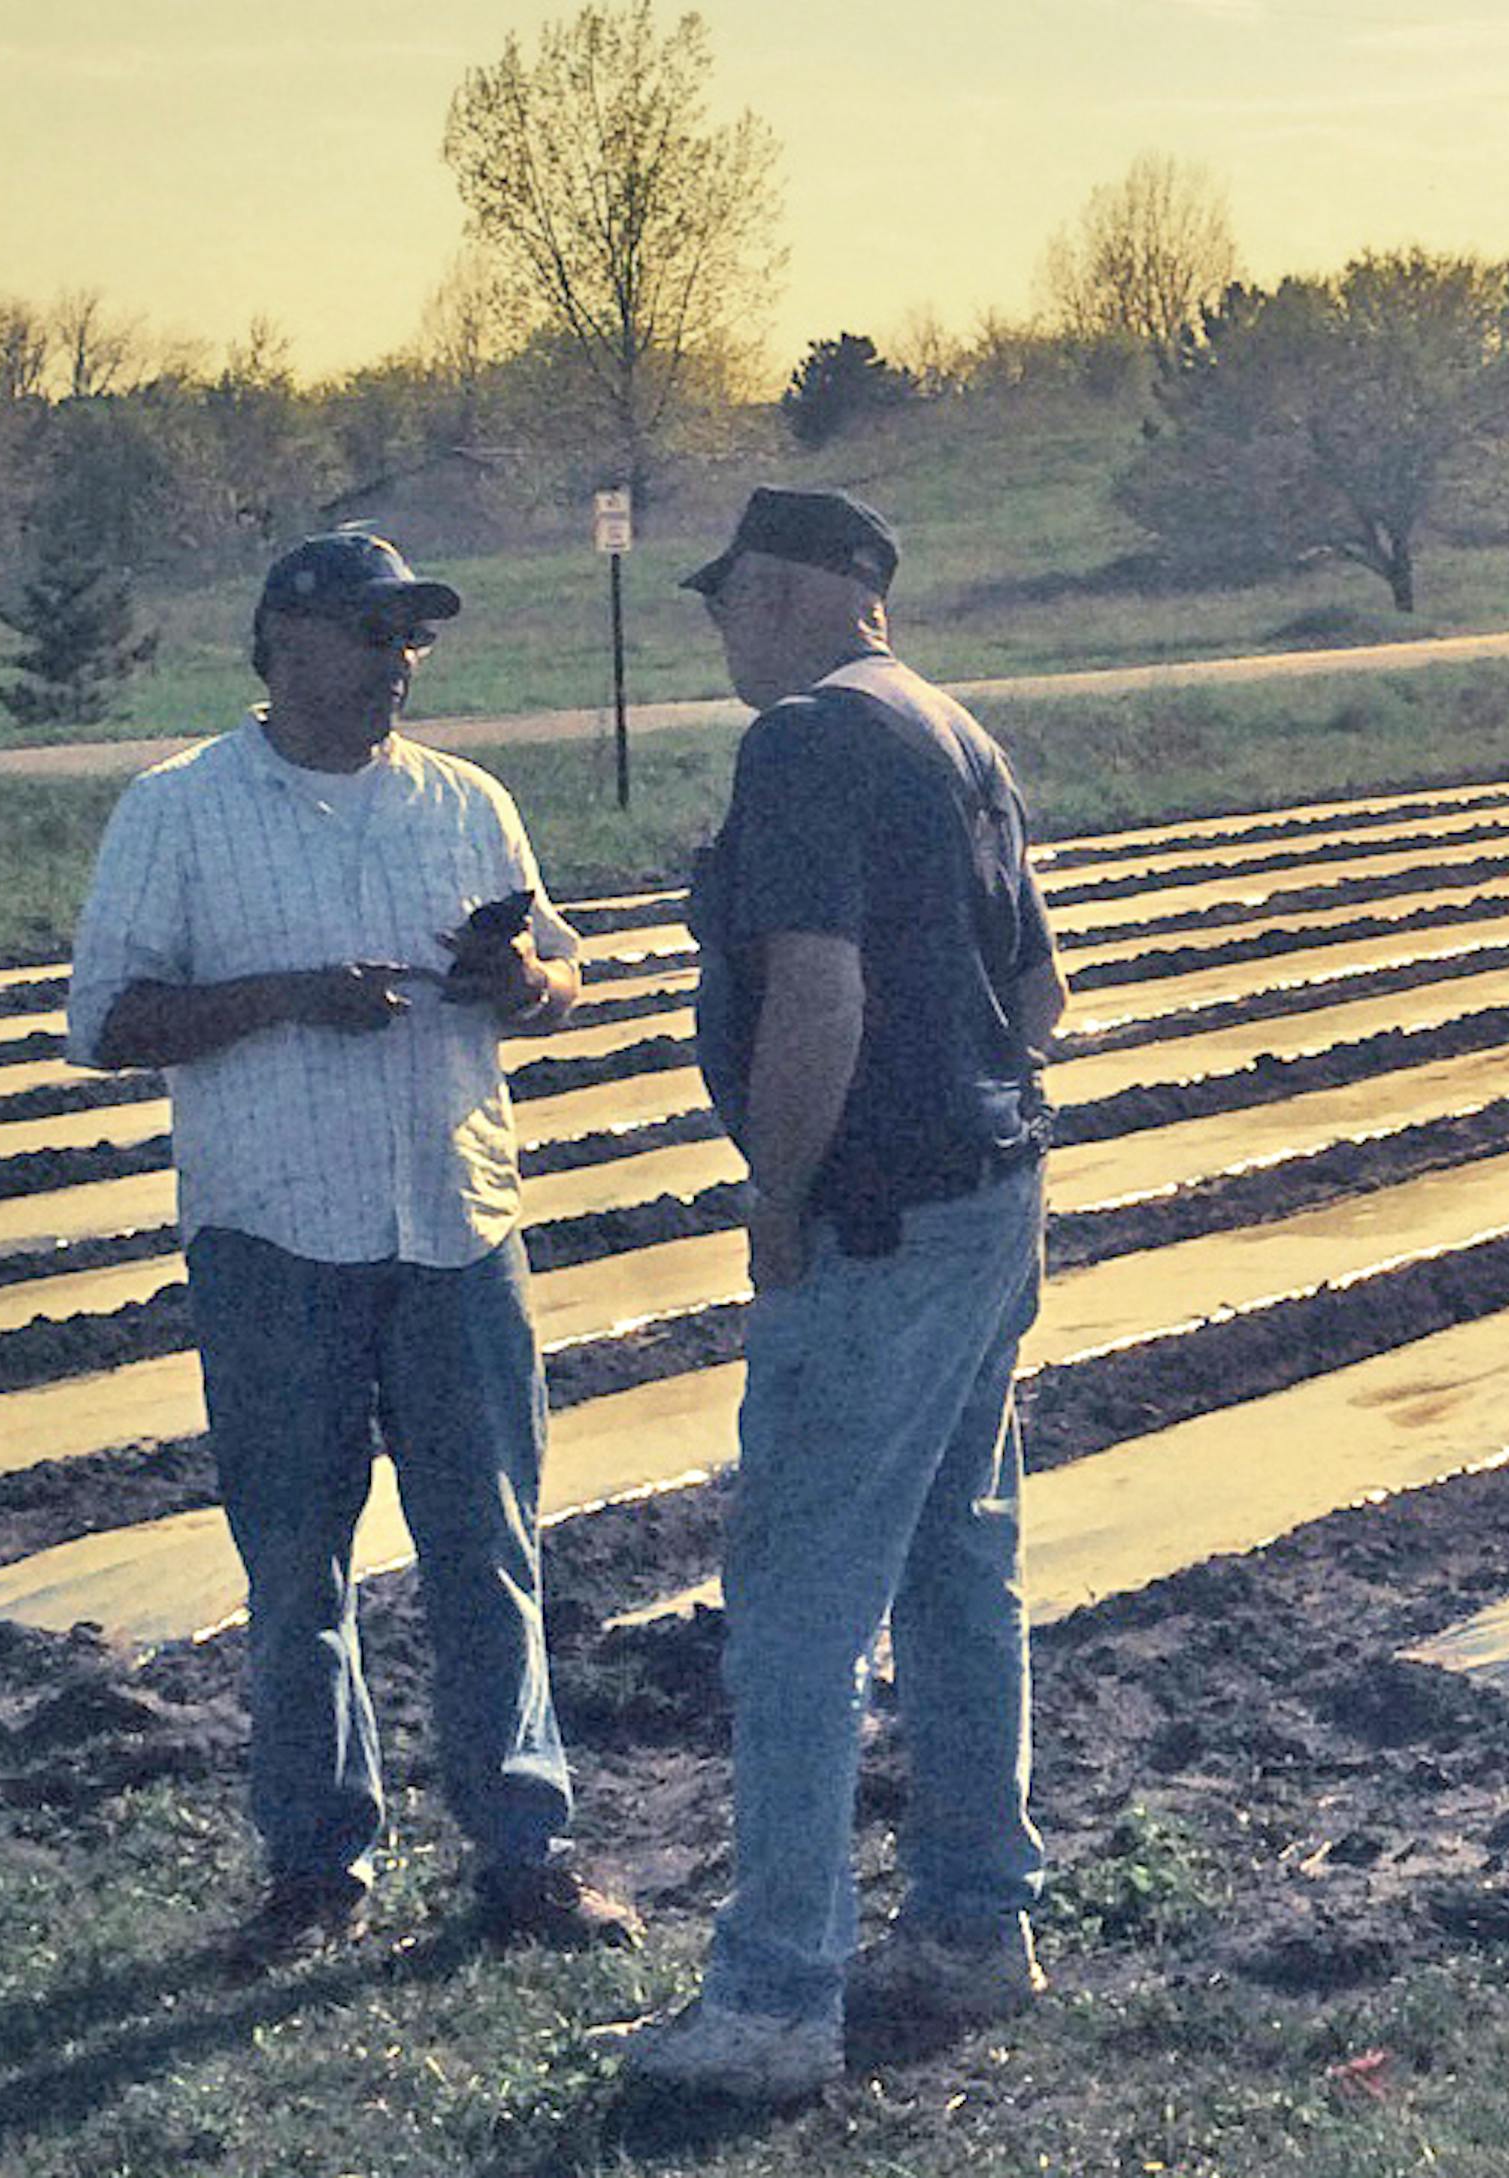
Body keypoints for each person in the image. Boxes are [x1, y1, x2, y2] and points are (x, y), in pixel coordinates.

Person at [66, 530, 641, 1963]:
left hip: (456, 1226)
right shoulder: (180, 810)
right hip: (277, 1235)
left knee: (488, 1546)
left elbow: (564, 972)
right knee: (295, 1564)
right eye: (376, 632)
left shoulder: (465, 801)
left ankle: (523, 1853)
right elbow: (105, 1021)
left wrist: (525, 979)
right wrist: (285, 998)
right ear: (286, 641)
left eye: (412, 637)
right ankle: (316, 1866)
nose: (402, 662)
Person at [618, 488, 1069, 2099]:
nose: (720, 627)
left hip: (877, 1227)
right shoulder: (953, 732)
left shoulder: (806, 741)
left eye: (730, 596)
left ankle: (774, 1997)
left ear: (796, 590)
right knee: (959, 1562)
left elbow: (818, 991)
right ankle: (969, 1923)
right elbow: (1044, 991)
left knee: (801, 1604)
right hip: (989, 1198)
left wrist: (780, 1194)